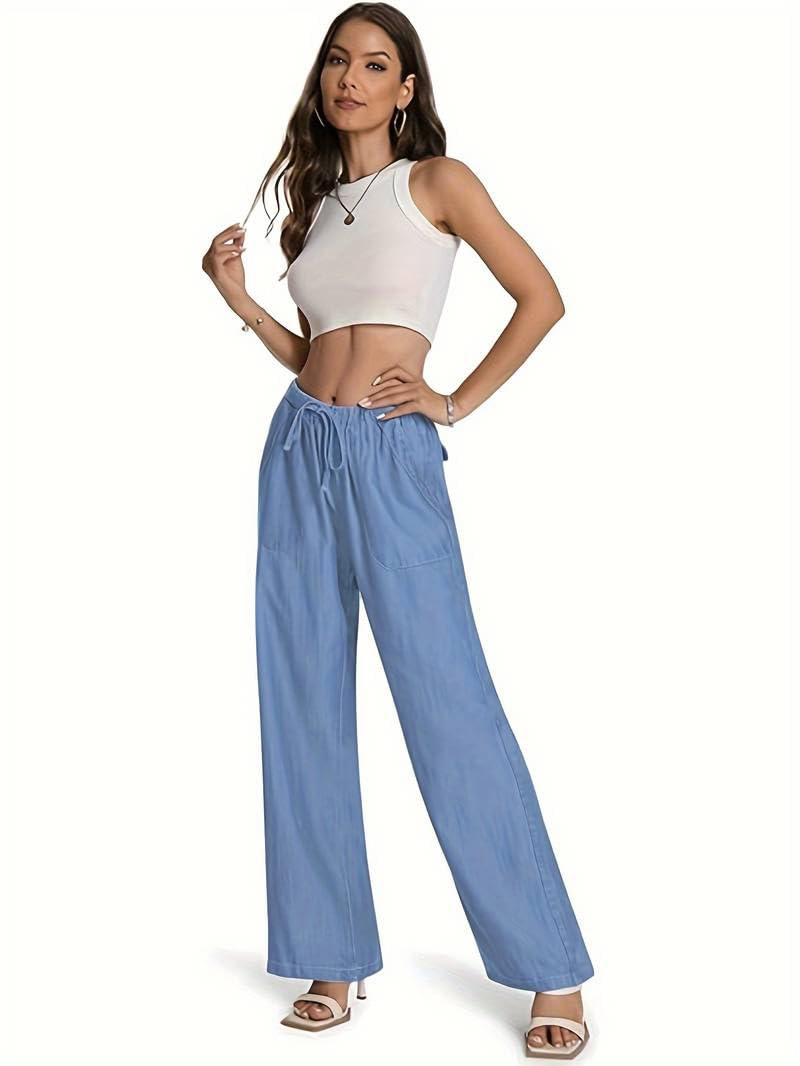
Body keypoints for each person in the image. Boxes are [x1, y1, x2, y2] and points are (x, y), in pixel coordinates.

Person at [202, 4, 595, 1057]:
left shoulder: (438, 183)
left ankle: (550, 970)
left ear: (406, 88)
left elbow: (541, 297)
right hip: (298, 447)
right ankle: (332, 957)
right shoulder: (314, 209)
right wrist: (241, 299)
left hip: (389, 450)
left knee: (447, 700)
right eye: (338, 60)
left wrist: (451, 402)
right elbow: (315, 352)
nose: (351, 77)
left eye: (375, 64)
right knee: (300, 699)